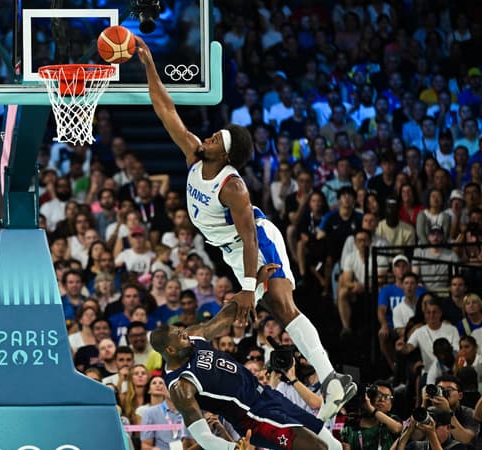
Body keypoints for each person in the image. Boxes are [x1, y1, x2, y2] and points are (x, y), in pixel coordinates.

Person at [136, 36, 355, 420]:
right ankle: (332, 379)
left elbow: (251, 236)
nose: (208, 137)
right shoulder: (193, 153)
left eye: (217, 139)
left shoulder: (233, 186)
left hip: (256, 240)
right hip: (231, 249)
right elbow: (164, 108)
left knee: (282, 304)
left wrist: (249, 287)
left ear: (226, 154)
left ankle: (332, 378)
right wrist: (149, 65)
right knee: (272, 306)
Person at [149, 313, 343, 450]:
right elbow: (203, 438)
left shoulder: (194, 338)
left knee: (334, 446)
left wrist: (251, 288)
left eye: (183, 332)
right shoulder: (181, 386)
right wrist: (231, 448)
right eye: (180, 338)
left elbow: (224, 317)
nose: (186, 336)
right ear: (170, 350)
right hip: (254, 417)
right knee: (318, 448)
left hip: (268, 396)